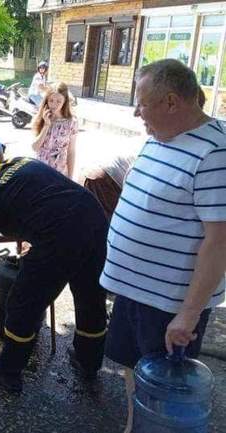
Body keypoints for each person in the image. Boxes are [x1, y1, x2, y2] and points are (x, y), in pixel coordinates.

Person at [101, 59, 226, 433]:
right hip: (135, 293)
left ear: (172, 102)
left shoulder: (216, 152)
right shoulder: (160, 136)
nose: (136, 112)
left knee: (164, 390)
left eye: (141, 103)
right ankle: (133, 426)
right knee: (132, 370)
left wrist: (188, 314)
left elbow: (219, 240)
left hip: (168, 306)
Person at [0, 158, 108, 392]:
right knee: (90, 296)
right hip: (92, 215)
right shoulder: (18, 162)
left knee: (22, 303)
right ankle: (89, 360)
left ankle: (7, 371)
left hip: (58, 234)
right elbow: (33, 200)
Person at [32, 82, 78, 178]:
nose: (54, 105)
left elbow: (71, 151)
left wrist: (70, 177)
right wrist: (46, 125)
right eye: (51, 100)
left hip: (59, 172)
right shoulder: (42, 118)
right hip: (40, 170)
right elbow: (35, 147)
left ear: (65, 102)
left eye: (58, 101)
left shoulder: (71, 122)